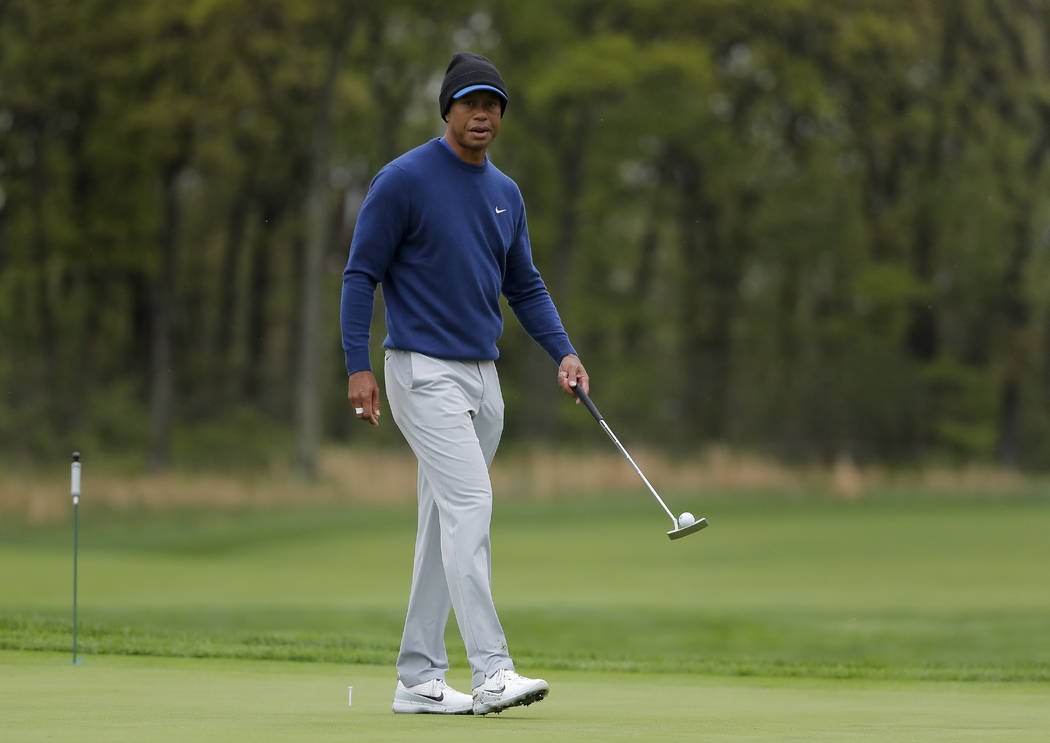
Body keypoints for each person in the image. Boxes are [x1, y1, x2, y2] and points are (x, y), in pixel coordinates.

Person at [339, 51, 589, 716]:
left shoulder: (505, 194)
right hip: (420, 371)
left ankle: (418, 675)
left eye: (493, 104)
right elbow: (360, 274)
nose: (482, 114)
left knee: (443, 523)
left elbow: (524, 282)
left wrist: (562, 350)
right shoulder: (404, 180)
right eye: (470, 102)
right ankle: (491, 671)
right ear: (447, 110)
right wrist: (357, 365)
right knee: (472, 506)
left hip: (484, 380)